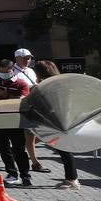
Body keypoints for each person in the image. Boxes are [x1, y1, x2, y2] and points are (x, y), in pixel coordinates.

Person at [0, 57, 31, 185]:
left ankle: (25, 175)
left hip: (14, 121)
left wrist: (6, 95)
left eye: (5, 71)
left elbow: (23, 100)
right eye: (0, 71)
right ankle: (12, 173)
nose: (2, 74)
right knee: (3, 149)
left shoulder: (21, 83)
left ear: (12, 70)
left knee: (19, 149)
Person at [36, 60, 81, 189]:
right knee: (64, 150)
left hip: (57, 120)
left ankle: (72, 179)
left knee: (64, 150)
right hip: (65, 118)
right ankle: (72, 178)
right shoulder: (60, 82)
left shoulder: (47, 85)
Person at [11, 49, 49, 174]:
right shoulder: (12, 72)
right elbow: (15, 89)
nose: (27, 60)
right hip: (24, 107)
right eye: (24, 58)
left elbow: (35, 83)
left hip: (36, 105)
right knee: (30, 134)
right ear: (16, 58)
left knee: (45, 133)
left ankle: (19, 150)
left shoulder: (30, 71)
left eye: (29, 58)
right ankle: (35, 163)